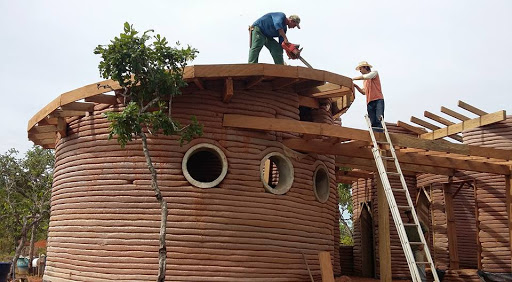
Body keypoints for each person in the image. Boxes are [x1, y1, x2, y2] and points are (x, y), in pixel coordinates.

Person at [352, 61, 384, 132]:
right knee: (373, 121)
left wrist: (353, 79)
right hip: (370, 102)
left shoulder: (374, 73)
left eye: (361, 69)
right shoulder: (365, 81)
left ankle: (381, 135)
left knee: (379, 119)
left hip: (378, 100)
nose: (360, 71)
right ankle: (376, 136)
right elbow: (364, 92)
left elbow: (366, 76)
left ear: (365, 67)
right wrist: (356, 86)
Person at [404, 210, 429, 282]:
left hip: (419, 248)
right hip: (410, 248)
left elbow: (426, 232)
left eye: (410, 214)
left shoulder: (419, 223)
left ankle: (422, 280)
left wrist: (423, 244)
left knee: (420, 264)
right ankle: (415, 279)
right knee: (412, 265)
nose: (409, 215)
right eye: (408, 214)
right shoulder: (407, 225)